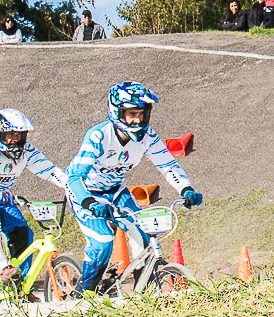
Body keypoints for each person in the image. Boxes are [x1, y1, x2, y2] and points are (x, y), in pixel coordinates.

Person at [66, 82, 203, 292]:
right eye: (131, 114)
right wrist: (89, 202)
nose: (137, 120)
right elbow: (74, 176)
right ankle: (83, 293)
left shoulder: (148, 137)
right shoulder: (99, 136)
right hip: (86, 194)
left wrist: (186, 189)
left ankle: (142, 292)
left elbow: (168, 164)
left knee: (144, 234)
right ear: (117, 113)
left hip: (116, 191)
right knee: (103, 243)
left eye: (141, 113)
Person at [0, 109, 67, 281]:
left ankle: (22, 282)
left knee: (23, 232)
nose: (15, 139)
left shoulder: (27, 151)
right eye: (10, 134)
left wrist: (70, 186)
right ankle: (4, 268)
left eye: (19, 135)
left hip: (1, 197)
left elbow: (49, 170)